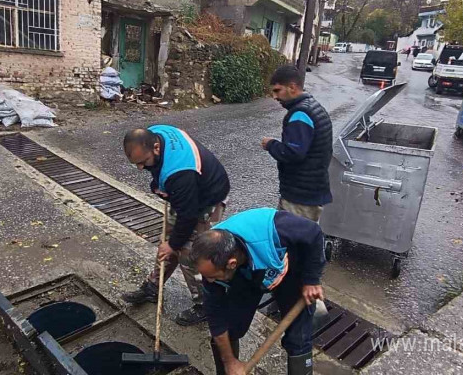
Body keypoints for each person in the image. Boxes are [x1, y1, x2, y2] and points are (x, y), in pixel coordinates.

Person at [191, 208, 326, 375]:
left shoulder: (277, 228)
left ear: (231, 263)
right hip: (249, 274)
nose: (209, 281)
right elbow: (216, 319)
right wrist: (230, 362)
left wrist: (311, 279)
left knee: (298, 337)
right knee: (230, 326)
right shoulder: (210, 262)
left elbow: (314, 233)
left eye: (212, 277)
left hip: (289, 267)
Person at [121, 125, 230, 326]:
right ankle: (154, 286)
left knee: (191, 253)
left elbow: (188, 216)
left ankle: (204, 304)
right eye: (136, 164)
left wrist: (174, 244)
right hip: (186, 193)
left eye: (143, 162)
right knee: (168, 242)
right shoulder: (157, 132)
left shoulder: (179, 173)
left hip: (207, 196)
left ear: (156, 147)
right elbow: (160, 173)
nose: (140, 168)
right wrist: (157, 186)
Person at [260, 65, 333, 222]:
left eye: (277, 90)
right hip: (311, 191)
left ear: (292, 87)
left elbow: (293, 153)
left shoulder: (300, 114)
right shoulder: (313, 106)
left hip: (300, 197)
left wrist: (271, 144)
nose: (274, 96)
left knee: (292, 240)